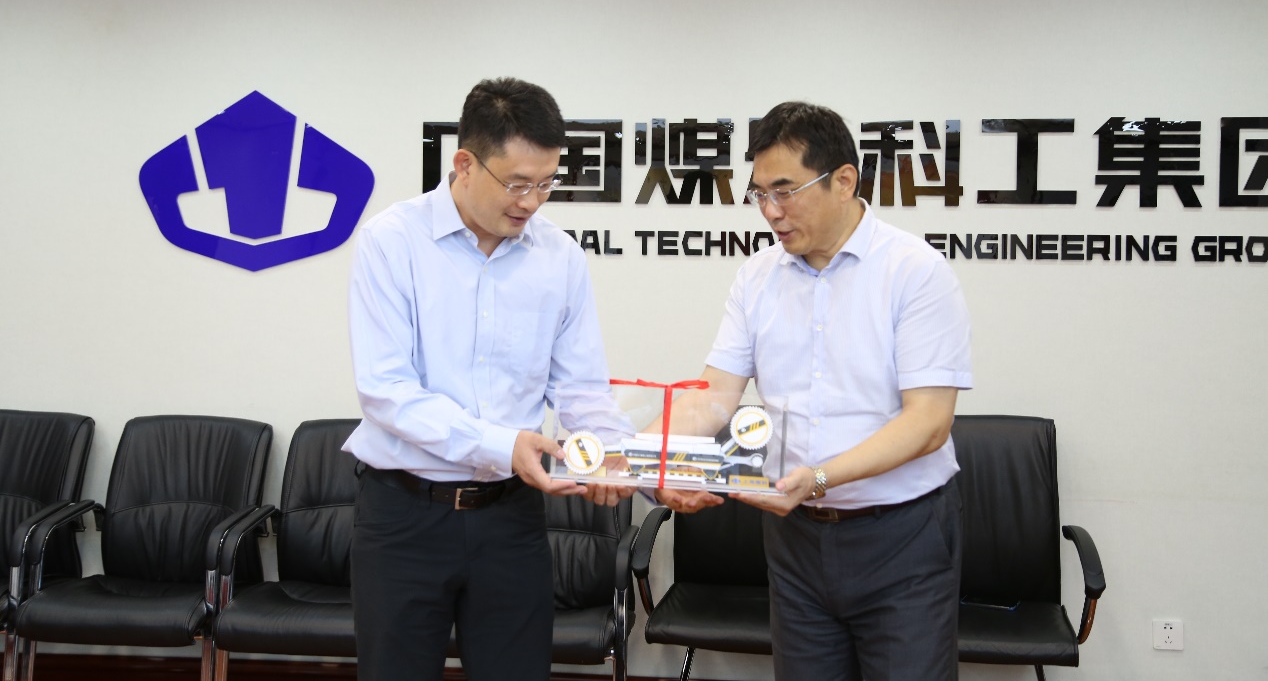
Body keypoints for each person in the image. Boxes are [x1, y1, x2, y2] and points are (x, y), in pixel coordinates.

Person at [655, 101, 973, 680]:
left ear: (843, 181)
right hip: (795, 540)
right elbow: (711, 397)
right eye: (759, 194)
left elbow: (928, 423)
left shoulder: (915, 271)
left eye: (786, 191)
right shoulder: (757, 277)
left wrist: (821, 478)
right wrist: (640, 458)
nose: (771, 212)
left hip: (902, 536)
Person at [342, 77, 633, 681]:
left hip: (510, 519)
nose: (532, 202)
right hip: (404, 517)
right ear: (465, 164)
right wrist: (504, 444)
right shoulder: (391, 242)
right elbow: (387, 390)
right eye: (518, 183)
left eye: (547, 183)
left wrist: (612, 452)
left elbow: (581, 388)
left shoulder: (559, 256)